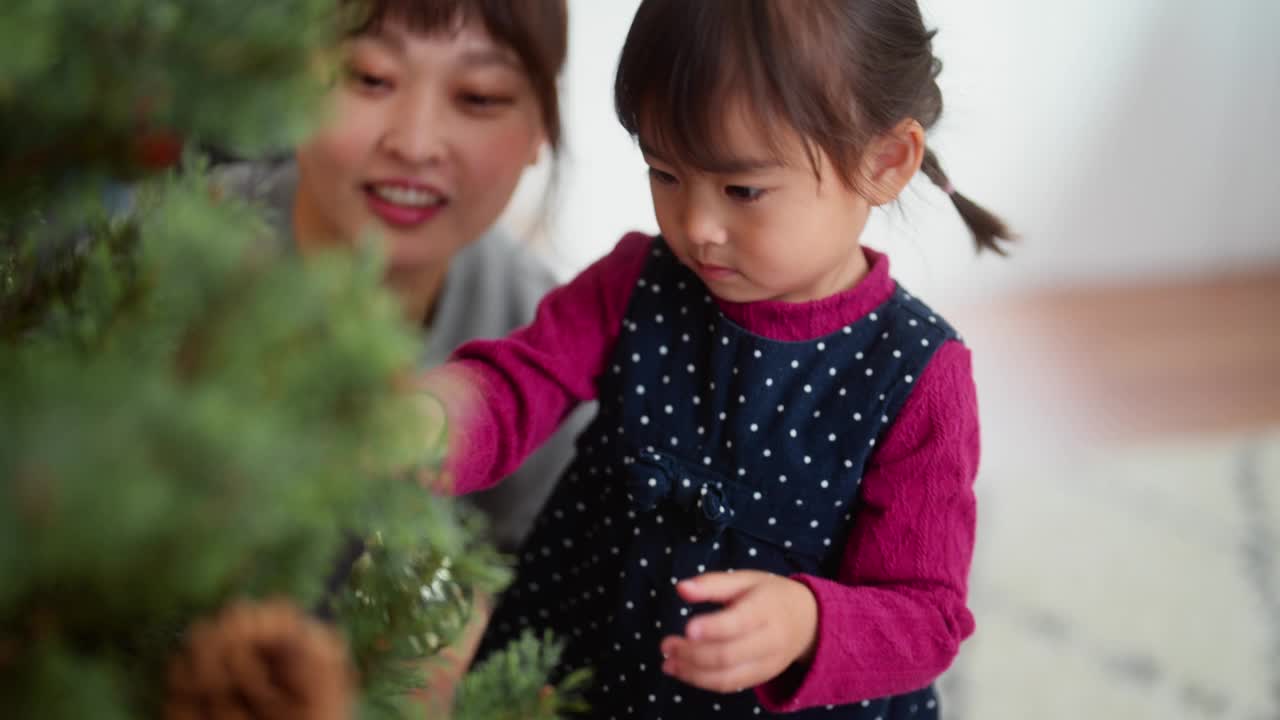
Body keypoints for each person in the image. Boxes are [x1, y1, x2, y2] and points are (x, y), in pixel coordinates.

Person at [420, 0, 1013, 717]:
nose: (697, 227)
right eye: (665, 172)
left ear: (884, 162)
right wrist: (430, 416)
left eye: (743, 190)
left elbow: (927, 615)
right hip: (586, 655)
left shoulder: (915, 373)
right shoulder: (637, 280)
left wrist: (807, 622)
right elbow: (521, 379)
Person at [219, 0, 583, 557]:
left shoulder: (552, 354)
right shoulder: (129, 264)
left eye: (479, 96)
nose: (414, 145)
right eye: (371, 78)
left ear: (542, 127)